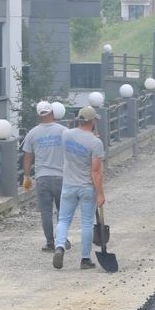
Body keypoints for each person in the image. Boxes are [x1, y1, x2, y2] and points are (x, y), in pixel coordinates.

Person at [53, 106, 105, 271]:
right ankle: (85, 259)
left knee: (63, 219)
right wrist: (100, 194)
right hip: (86, 188)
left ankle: (60, 246)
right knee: (87, 223)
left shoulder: (66, 135)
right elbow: (96, 172)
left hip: (68, 185)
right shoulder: (96, 143)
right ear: (92, 121)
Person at [22, 101, 68, 252]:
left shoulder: (32, 133)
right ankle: (62, 240)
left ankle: (50, 243)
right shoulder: (63, 131)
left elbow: (28, 157)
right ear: (52, 112)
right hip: (62, 177)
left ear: (38, 115)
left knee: (46, 212)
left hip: (42, 178)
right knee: (63, 211)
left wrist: (27, 177)